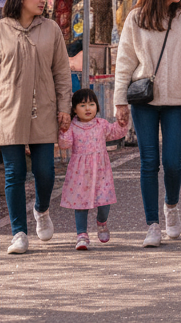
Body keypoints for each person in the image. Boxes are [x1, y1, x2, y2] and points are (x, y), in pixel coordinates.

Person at [0, 0, 71, 255]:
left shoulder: (51, 29)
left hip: (44, 110)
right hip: (8, 111)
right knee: (14, 172)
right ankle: (18, 233)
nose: (43, 0)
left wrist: (65, 107)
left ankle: (41, 208)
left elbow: (62, 73)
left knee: (45, 171)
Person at [114, 0, 181, 249]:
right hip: (145, 100)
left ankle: (172, 206)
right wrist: (119, 101)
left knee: (172, 162)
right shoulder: (136, 18)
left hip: (177, 101)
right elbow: (125, 60)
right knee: (149, 162)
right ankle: (152, 224)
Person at [58, 88, 129, 250]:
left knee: (105, 202)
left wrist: (122, 124)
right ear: (74, 109)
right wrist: (63, 130)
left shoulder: (102, 125)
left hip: (101, 172)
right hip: (80, 173)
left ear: (97, 107)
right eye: (82, 105)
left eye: (91, 104)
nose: (88, 108)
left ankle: (102, 222)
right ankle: (81, 235)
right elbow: (65, 144)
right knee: (80, 204)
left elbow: (115, 133)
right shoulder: (73, 126)